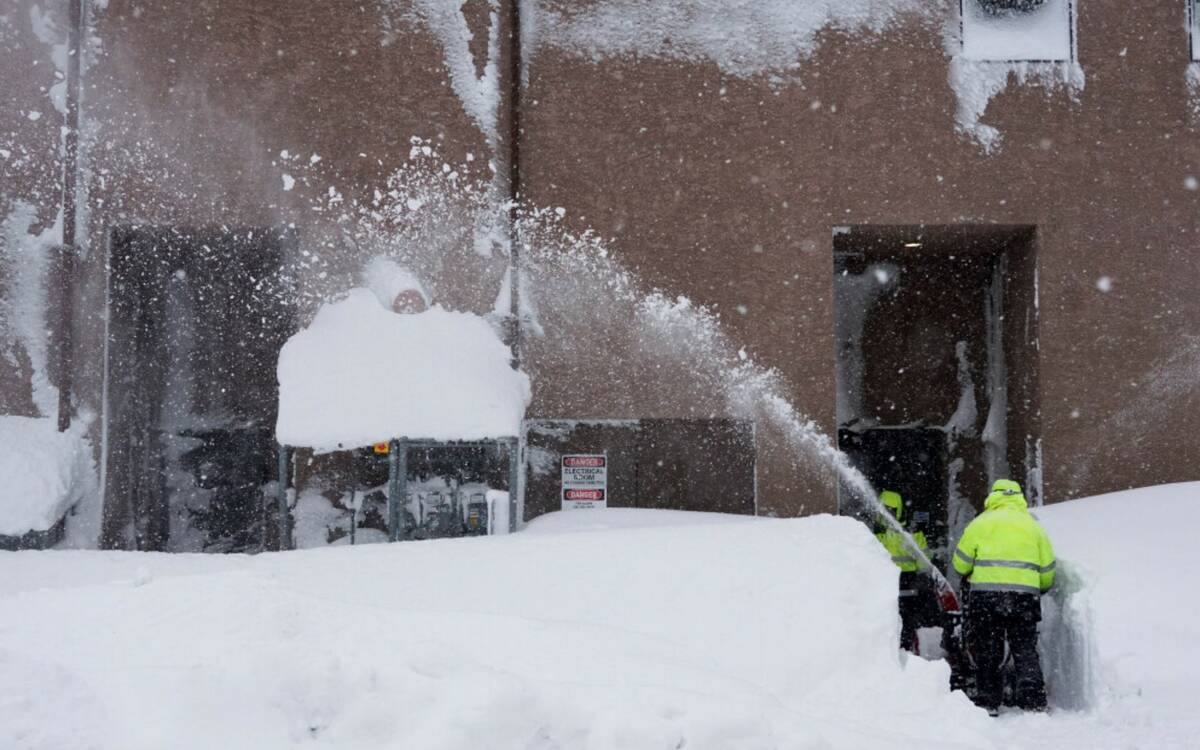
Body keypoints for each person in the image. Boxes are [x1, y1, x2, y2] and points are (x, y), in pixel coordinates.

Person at [952, 479, 1056, 715]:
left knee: (988, 647)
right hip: (1024, 598)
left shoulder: (980, 524)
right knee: (1024, 647)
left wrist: (973, 571)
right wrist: (1040, 587)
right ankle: (1032, 700)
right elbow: (1048, 570)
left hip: (986, 598)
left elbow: (960, 564)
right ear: (1019, 497)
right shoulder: (1033, 527)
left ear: (994, 496)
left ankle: (989, 700)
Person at [875, 489, 928, 653]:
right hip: (906, 584)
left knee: (895, 622)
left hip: (895, 585)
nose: (886, 514)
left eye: (889, 510)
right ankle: (904, 651)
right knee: (904, 622)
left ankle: (902, 652)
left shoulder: (876, 534)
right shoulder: (911, 534)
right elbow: (924, 562)